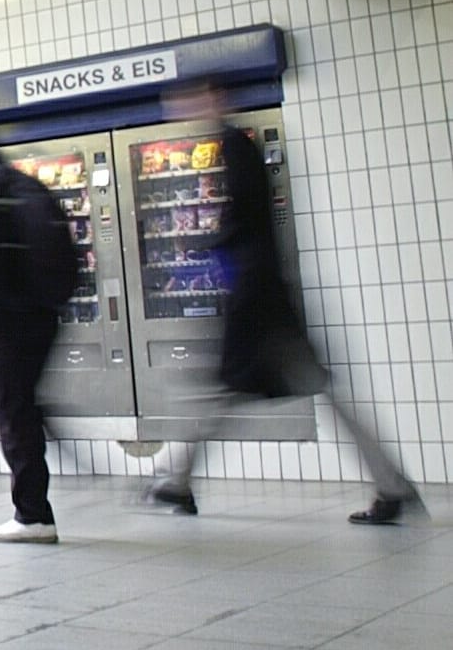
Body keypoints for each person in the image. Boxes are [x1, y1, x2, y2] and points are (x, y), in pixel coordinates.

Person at [144, 80, 423, 524]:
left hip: (257, 301)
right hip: (265, 297)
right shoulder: (236, 144)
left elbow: (244, 221)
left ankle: (176, 482)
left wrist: (208, 247)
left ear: (214, 98)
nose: (182, 111)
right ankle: (392, 484)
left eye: (188, 101)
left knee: (219, 391)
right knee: (289, 389)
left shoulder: (234, 145)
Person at [0, 118, 72, 543]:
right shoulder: (22, 182)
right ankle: (34, 509)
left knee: (13, 414)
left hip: (8, 323)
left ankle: (32, 515)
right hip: (42, 316)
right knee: (25, 407)